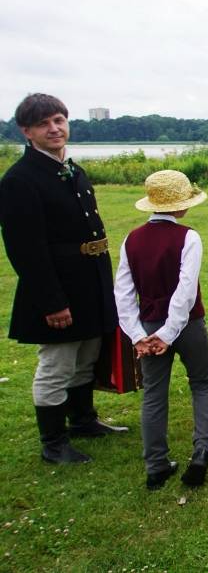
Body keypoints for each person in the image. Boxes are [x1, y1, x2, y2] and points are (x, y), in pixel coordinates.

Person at [0, 93, 125, 465]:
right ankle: (53, 441)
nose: (54, 128)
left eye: (59, 120)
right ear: (26, 132)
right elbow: (26, 250)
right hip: (58, 287)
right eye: (43, 124)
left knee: (87, 354)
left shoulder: (71, 169)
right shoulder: (20, 180)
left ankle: (83, 420)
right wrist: (52, 302)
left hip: (89, 281)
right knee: (57, 364)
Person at [114, 170, 208, 490]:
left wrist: (139, 335)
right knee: (202, 382)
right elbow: (185, 292)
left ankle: (156, 464)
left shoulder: (131, 239)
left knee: (154, 394)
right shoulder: (189, 237)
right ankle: (201, 450)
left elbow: (123, 292)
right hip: (187, 324)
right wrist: (167, 333)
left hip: (149, 328)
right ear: (182, 207)